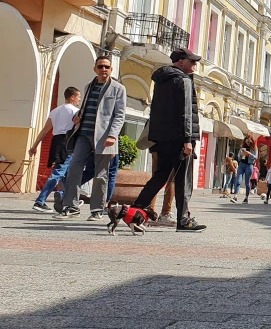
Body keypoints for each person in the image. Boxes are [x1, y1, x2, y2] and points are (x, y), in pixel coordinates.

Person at [131, 48, 206, 232]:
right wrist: (188, 140)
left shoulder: (161, 80)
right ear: (181, 62)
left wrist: (157, 137)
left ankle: (134, 211)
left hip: (163, 138)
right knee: (183, 181)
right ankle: (184, 220)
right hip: (180, 139)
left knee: (159, 177)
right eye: (192, 61)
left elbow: (156, 110)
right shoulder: (183, 80)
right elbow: (186, 112)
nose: (195, 64)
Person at [54, 57, 126, 221]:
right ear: (95, 69)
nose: (103, 69)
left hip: (104, 137)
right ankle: (71, 207)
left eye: (107, 67)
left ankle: (97, 210)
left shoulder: (118, 89)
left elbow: (120, 116)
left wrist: (113, 135)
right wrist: (78, 116)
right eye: (100, 66)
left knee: (101, 174)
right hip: (83, 135)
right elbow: (86, 108)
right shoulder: (88, 87)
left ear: (111, 69)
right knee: (74, 169)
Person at [29, 87, 81, 212]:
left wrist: (34, 145)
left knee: (66, 173)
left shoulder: (55, 111)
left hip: (56, 141)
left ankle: (64, 198)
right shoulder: (76, 111)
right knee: (59, 172)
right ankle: (40, 201)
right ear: (72, 97)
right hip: (68, 141)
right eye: (78, 97)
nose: (80, 99)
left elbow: (45, 130)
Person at [235, 135, 258, 203]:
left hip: (249, 165)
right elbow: (238, 157)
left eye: (249, 142)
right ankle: (235, 196)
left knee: (247, 183)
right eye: (246, 141)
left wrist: (250, 154)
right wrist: (242, 155)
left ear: (251, 142)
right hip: (242, 165)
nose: (248, 143)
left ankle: (246, 197)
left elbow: (256, 157)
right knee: (238, 181)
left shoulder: (254, 148)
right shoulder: (242, 148)